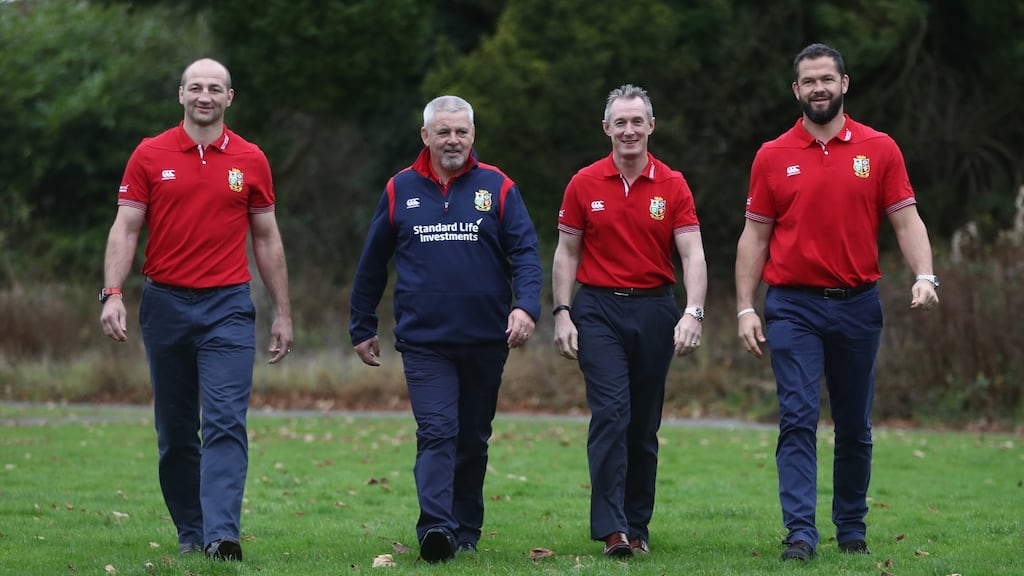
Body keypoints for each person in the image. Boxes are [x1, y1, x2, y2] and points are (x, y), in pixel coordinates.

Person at [735, 43, 939, 561]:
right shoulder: (772, 155)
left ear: (844, 84)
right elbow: (755, 237)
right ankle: (801, 534)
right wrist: (744, 306)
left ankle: (851, 529)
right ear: (796, 90)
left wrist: (925, 275)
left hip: (858, 305)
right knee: (798, 417)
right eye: (809, 81)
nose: (819, 88)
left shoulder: (880, 148)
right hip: (792, 307)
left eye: (827, 78)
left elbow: (906, 218)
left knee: (854, 425)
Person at [99, 58, 293, 562]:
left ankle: (222, 535)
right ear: (181, 95)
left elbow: (268, 239)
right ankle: (192, 529)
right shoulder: (149, 154)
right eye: (195, 88)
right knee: (177, 430)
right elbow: (125, 228)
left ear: (230, 97)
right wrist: (112, 293)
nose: (204, 96)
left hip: (228, 305)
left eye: (215, 88)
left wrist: (282, 312)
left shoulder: (251, 159)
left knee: (227, 419)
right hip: (164, 303)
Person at [348, 95, 543, 563]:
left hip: (485, 339)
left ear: (473, 135)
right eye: (443, 132)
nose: (452, 140)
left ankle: (466, 527)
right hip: (424, 341)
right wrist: (362, 323)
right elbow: (373, 262)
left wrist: (527, 308)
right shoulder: (400, 189)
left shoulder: (497, 187)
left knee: (472, 437)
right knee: (437, 431)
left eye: (460, 132)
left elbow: (526, 254)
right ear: (426, 136)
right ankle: (435, 527)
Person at [552, 84, 708, 558]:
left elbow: (692, 253)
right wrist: (561, 313)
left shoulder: (673, 184)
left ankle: (637, 526)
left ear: (651, 126)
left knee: (642, 425)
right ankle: (612, 529)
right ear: (606, 129)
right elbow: (566, 252)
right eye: (619, 122)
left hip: (655, 308)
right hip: (597, 309)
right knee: (611, 414)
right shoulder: (583, 183)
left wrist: (693, 311)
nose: (629, 130)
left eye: (637, 121)